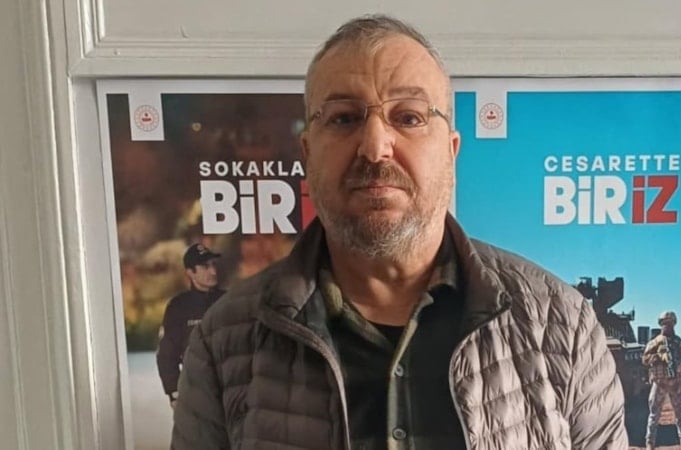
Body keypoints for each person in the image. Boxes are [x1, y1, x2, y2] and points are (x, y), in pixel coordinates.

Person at [171, 14, 627, 450]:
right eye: (344, 118)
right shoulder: (224, 340)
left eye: (408, 117)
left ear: (450, 153)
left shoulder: (563, 327)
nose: (375, 147)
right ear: (307, 155)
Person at [155, 243, 224, 409]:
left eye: (213, 265)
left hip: (232, 391)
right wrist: (173, 392)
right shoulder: (178, 307)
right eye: (205, 267)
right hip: (197, 392)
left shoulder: (230, 300)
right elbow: (166, 354)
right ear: (190, 273)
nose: (213, 271)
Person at [642, 311, 681, 450]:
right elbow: (645, 360)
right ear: (661, 324)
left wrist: (674, 363)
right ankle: (650, 443)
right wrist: (658, 357)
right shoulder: (654, 343)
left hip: (675, 382)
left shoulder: (680, 343)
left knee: (680, 413)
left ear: (674, 324)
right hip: (659, 382)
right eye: (664, 323)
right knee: (654, 415)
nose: (667, 326)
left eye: (669, 323)